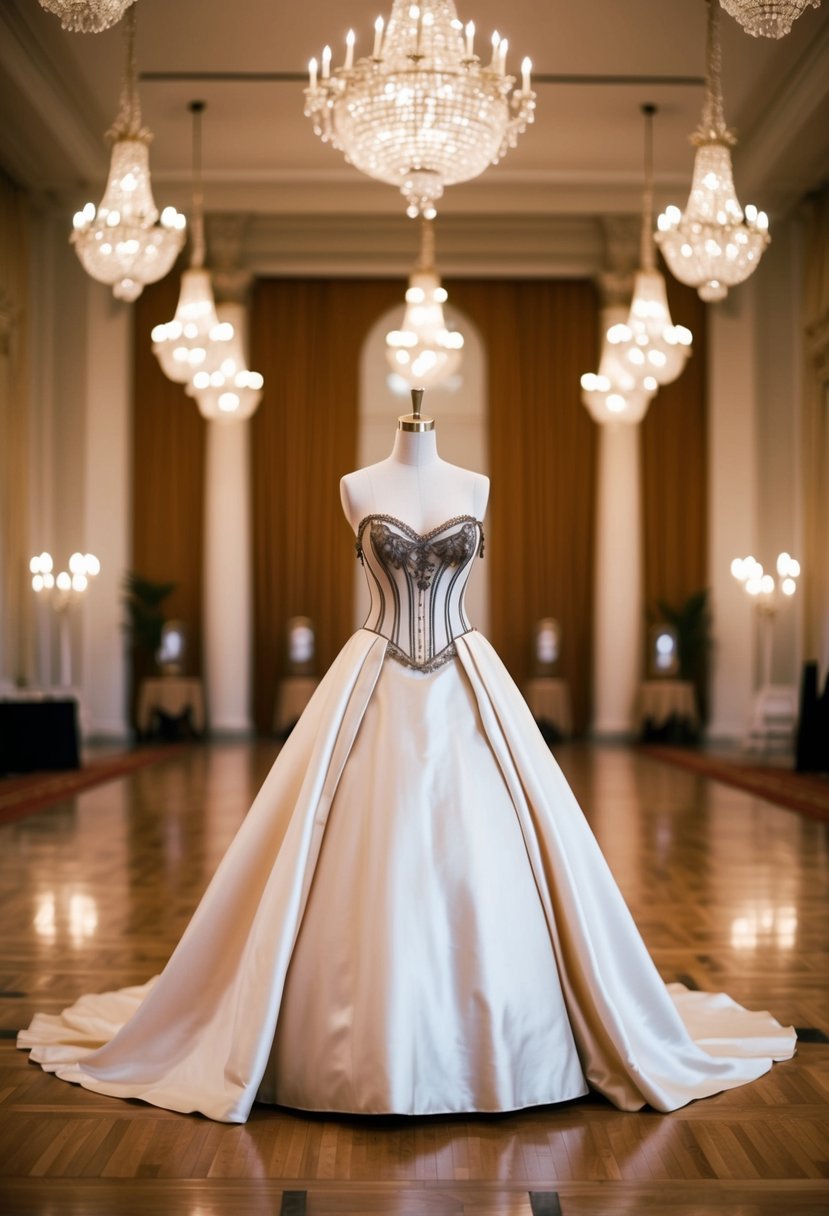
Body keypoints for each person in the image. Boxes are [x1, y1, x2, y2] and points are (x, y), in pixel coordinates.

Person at [18, 391, 796, 1123]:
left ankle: (500, 1046)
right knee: (355, 849)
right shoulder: (356, 485)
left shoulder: (475, 483)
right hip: (372, 677)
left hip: (465, 680)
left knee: (493, 851)